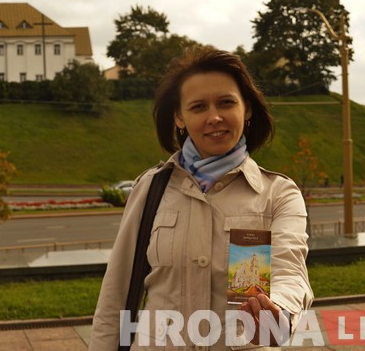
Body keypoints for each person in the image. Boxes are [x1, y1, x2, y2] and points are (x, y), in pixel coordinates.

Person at [89, 47, 313, 350]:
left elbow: (290, 271)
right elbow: (114, 297)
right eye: (198, 107)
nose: (214, 117)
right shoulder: (151, 188)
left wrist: (279, 314)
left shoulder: (278, 194)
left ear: (246, 109)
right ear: (179, 118)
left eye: (226, 102)